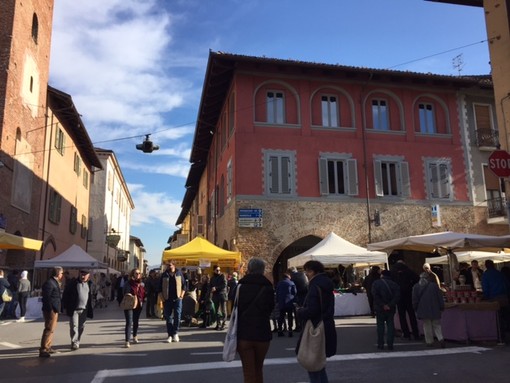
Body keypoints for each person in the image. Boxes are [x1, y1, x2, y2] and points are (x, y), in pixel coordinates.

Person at [295, 260, 336, 383]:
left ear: (312, 271)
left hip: (315, 326)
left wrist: (300, 311)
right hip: (326, 324)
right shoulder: (326, 283)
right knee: (318, 364)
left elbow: (313, 310)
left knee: (312, 362)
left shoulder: (315, 285)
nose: (306, 274)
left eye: (307, 271)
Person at [237, 258, 275, 383]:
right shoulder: (268, 286)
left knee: (248, 372)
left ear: (249, 269)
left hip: (244, 333)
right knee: (258, 369)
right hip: (262, 333)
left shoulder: (241, 286)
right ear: (263, 270)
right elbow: (270, 308)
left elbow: (236, 308)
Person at [62, 269, 94, 350]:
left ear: (88, 276)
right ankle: (74, 342)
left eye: (85, 275)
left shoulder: (90, 284)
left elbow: (91, 296)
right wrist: (65, 307)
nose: (83, 276)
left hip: (84, 309)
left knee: (81, 326)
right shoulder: (73, 283)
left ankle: (78, 340)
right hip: (74, 309)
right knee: (74, 326)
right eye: (81, 274)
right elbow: (66, 295)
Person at [412, 272, 445, 348]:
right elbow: (440, 297)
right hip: (434, 308)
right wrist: (441, 307)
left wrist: (415, 308)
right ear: (428, 278)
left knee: (427, 326)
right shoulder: (434, 286)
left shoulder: (416, 287)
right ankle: (440, 338)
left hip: (423, 308)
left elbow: (414, 300)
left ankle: (429, 341)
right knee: (437, 325)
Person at [371, 270, 400, 351]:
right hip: (391, 308)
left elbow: (375, 295)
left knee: (380, 326)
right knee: (390, 325)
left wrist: (382, 305)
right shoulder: (394, 284)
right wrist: (389, 305)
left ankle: (380, 344)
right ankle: (390, 344)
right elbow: (397, 296)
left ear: (382, 275)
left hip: (380, 308)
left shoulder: (376, 283)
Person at [39, 266, 64, 358]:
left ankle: (48, 346)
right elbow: (47, 298)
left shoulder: (55, 282)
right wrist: (50, 309)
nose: (62, 275)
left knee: (52, 329)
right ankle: (43, 349)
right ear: (57, 273)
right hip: (50, 309)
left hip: (54, 308)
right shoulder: (49, 283)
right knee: (48, 328)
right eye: (61, 273)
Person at [391, 261, 420, 340]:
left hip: (399, 296)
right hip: (408, 294)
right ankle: (416, 333)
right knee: (411, 315)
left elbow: (391, 283)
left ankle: (406, 333)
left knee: (402, 316)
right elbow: (417, 278)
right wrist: (410, 285)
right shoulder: (408, 270)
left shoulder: (393, 271)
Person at [482, 259, 509, 342]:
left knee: (497, 318)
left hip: (494, 298)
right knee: (506, 316)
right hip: (504, 297)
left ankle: (501, 336)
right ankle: (505, 334)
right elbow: (507, 284)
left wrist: (485, 297)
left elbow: (485, 288)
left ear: (486, 265)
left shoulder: (486, 275)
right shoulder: (499, 273)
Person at [160, 261, 186, 342]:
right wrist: (162, 298)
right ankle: (170, 335)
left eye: (170, 265)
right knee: (168, 318)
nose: (168, 266)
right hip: (167, 299)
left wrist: (181, 295)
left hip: (178, 298)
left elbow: (184, 285)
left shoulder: (179, 273)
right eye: (167, 265)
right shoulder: (164, 275)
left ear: (174, 265)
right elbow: (159, 287)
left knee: (177, 316)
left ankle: (175, 333)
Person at [122, 268, 146, 348]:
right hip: (129, 304)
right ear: (132, 274)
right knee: (129, 322)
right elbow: (124, 292)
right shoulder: (128, 283)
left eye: (139, 273)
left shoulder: (141, 284)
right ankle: (127, 341)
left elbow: (143, 294)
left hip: (138, 304)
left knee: (136, 321)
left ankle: (135, 335)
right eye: (136, 273)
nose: (138, 275)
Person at [275, 272, 296, 337]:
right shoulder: (292, 283)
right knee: (290, 316)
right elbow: (295, 292)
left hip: (281, 302)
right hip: (289, 302)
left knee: (281, 316)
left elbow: (277, 292)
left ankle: (280, 330)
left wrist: (278, 300)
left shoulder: (279, 283)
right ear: (288, 277)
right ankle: (290, 331)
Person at [289, 266, 308, 331]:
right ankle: (305, 325)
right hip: (306, 295)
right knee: (304, 310)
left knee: (297, 311)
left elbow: (292, 288)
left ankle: (298, 326)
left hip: (298, 296)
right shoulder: (303, 274)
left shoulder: (292, 277)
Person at [210, 265, 228, 330]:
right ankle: (218, 324)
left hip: (222, 295)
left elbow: (224, 285)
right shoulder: (212, 278)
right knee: (217, 311)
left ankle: (224, 324)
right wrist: (211, 290)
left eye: (219, 270)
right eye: (217, 270)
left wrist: (216, 288)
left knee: (223, 310)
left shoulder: (222, 276)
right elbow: (210, 286)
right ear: (214, 270)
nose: (218, 271)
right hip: (215, 295)